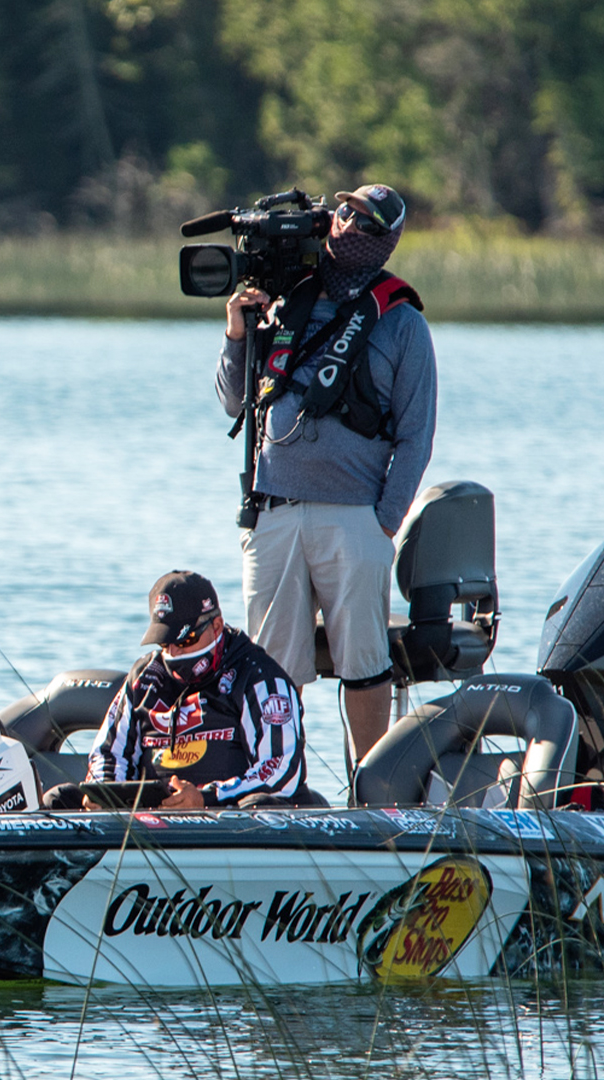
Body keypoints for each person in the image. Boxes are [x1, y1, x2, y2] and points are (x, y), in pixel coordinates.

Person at [215, 183, 436, 768]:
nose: (343, 225)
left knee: (363, 665)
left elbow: (416, 437)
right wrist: (238, 335)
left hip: (354, 519)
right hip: (275, 512)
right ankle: (277, 786)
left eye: (361, 221)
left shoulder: (402, 322)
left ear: (384, 240)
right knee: (270, 669)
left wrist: (382, 523)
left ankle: (371, 795)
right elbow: (234, 404)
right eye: (341, 212)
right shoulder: (289, 301)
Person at [46, 571, 308, 810]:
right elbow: (108, 752)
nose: (174, 652)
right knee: (59, 799)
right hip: (150, 815)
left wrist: (206, 798)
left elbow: (280, 769)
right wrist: (104, 793)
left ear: (216, 626)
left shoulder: (260, 678)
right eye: (165, 641)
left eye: (186, 640)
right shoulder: (144, 677)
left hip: (226, 815)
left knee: (260, 804)